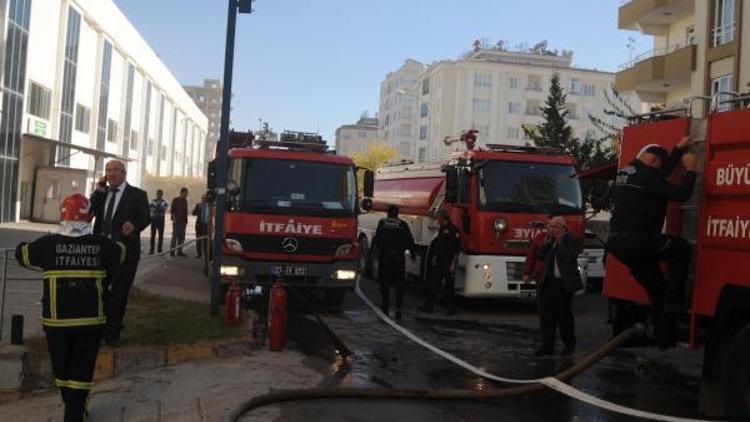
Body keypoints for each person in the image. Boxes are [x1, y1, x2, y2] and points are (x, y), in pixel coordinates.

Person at [16, 193, 126, 422]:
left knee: (62, 371)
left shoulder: (48, 245)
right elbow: (120, 253)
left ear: (62, 216)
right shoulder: (101, 245)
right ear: (91, 217)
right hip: (90, 323)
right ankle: (75, 413)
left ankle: (73, 411)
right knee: (81, 371)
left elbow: (23, 255)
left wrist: (24, 245)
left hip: (57, 323)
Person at [607, 137, 696, 348]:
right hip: (638, 241)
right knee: (681, 249)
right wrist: (691, 170)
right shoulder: (649, 178)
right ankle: (675, 303)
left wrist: (676, 149)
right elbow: (680, 193)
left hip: (618, 244)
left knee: (657, 289)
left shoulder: (626, 172)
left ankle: (663, 339)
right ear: (654, 161)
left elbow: (658, 173)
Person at [90, 159, 150, 345]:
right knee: (98, 292)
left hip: (126, 253)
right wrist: (98, 190)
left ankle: (112, 333)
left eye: (116, 170)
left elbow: (145, 217)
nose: (112, 173)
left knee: (119, 293)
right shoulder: (103, 194)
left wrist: (133, 225)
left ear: (124, 174)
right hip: (101, 252)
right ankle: (99, 328)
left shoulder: (137, 194)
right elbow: (89, 212)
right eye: (108, 170)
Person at [523, 215, 583, 356]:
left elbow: (568, 258)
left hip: (563, 284)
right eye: (549, 226)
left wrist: (560, 241)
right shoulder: (549, 240)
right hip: (548, 282)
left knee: (564, 316)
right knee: (546, 316)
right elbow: (540, 255)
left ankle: (569, 346)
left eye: (554, 227)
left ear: (563, 228)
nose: (551, 229)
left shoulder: (571, 240)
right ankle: (547, 346)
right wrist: (547, 241)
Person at [371, 205, 416, 321]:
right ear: (397, 214)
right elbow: (410, 240)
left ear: (387, 213)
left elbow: (377, 239)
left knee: (384, 281)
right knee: (399, 283)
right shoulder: (402, 224)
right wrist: (413, 254)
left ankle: (385, 303)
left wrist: (373, 251)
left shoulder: (382, 223)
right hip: (398, 258)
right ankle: (398, 305)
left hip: (384, 257)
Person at [419, 209, 461, 315]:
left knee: (449, 287)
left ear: (443, 218)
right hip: (440, 260)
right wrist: (435, 257)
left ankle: (451, 310)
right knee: (434, 284)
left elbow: (456, 249)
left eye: (438, 218)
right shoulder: (442, 229)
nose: (437, 220)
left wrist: (453, 264)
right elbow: (439, 246)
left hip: (449, 261)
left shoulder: (453, 230)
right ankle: (428, 306)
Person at [170, 187, 189, 257]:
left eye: (187, 193)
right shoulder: (175, 200)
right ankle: (172, 251)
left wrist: (186, 221)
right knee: (175, 236)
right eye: (186, 193)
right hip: (176, 221)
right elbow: (172, 210)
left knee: (182, 237)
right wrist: (174, 220)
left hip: (183, 222)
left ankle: (180, 251)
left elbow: (185, 212)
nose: (186, 195)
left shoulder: (185, 201)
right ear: (182, 193)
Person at [149, 189, 169, 255]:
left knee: (161, 236)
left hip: (161, 220)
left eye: (160, 194)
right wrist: (158, 208)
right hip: (154, 220)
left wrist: (156, 208)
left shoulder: (164, 202)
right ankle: (151, 250)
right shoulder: (152, 201)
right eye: (158, 193)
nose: (159, 195)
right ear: (156, 194)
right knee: (152, 236)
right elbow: (151, 209)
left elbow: (164, 209)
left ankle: (160, 250)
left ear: (162, 194)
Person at [192, 193, 209, 258]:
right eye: (202, 198)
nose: (203, 199)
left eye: (205, 198)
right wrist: (198, 208)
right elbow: (193, 213)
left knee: (205, 240)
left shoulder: (209, 206)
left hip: (206, 225)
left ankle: (206, 254)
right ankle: (199, 253)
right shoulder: (198, 205)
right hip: (199, 224)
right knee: (198, 240)